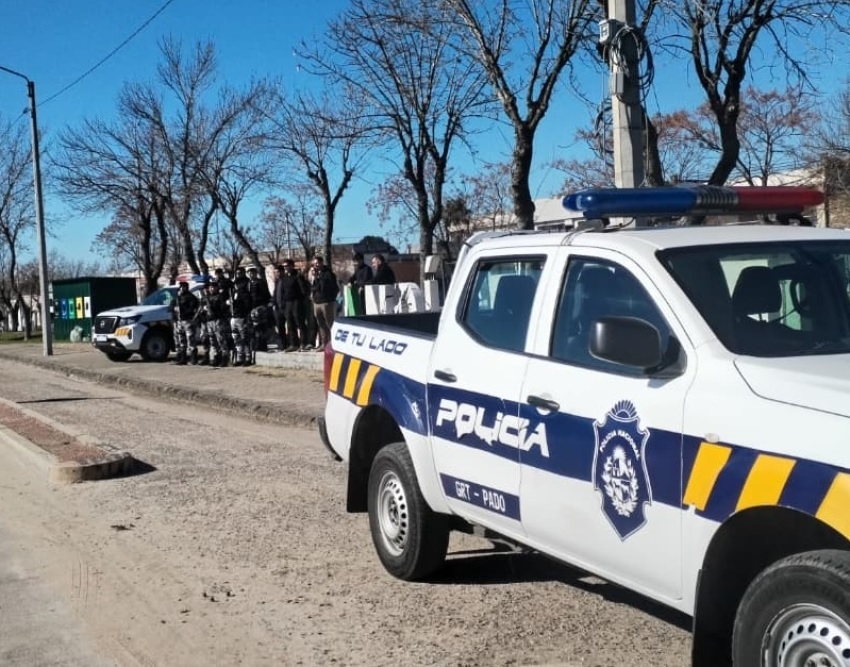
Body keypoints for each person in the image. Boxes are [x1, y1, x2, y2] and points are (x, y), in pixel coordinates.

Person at [274, 259, 309, 352]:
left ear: (292, 266)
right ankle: (294, 344)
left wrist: (301, 301)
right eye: (285, 266)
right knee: (290, 324)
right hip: (287, 303)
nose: (286, 268)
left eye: (288, 266)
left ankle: (303, 343)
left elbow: (303, 290)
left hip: (297, 302)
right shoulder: (284, 278)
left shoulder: (297, 276)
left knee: (300, 323)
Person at [310, 255, 340, 352]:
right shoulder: (315, 274)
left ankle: (333, 343)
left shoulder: (328, 274)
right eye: (314, 264)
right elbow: (313, 287)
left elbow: (330, 288)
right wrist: (314, 278)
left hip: (326, 302)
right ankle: (324, 343)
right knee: (321, 324)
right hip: (317, 302)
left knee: (329, 323)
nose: (316, 265)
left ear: (322, 263)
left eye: (317, 263)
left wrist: (330, 298)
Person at [201, 280, 232, 367]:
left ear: (217, 288)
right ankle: (216, 357)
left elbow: (223, 308)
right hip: (209, 321)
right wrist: (204, 309)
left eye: (213, 287)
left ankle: (225, 358)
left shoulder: (220, 297)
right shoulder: (207, 298)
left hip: (218, 320)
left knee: (221, 340)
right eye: (210, 287)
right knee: (212, 341)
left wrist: (213, 307)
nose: (211, 289)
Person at [172, 281, 200, 365]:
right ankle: (183, 358)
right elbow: (171, 306)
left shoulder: (190, 297)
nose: (181, 289)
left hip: (188, 320)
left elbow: (192, 308)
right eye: (180, 287)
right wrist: (174, 309)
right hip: (179, 321)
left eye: (183, 287)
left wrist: (183, 311)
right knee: (181, 340)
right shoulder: (178, 297)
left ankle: (193, 358)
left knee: (190, 340)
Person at [230, 266, 253, 366]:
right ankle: (240, 357)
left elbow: (249, 300)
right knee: (236, 338)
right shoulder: (234, 284)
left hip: (243, 315)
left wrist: (239, 302)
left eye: (240, 273)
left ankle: (248, 357)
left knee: (245, 338)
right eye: (237, 273)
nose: (238, 274)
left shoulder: (247, 283)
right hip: (233, 315)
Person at [247, 266, 272, 354]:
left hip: (260, 307)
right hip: (251, 307)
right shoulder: (248, 283)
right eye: (249, 273)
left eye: (252, 273)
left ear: (255, 274)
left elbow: (266, 294)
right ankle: (256, 345)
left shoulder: (260, 282)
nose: (250, 275)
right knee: (254, 328)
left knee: (261, 327)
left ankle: (263, 345)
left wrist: (266, 304)